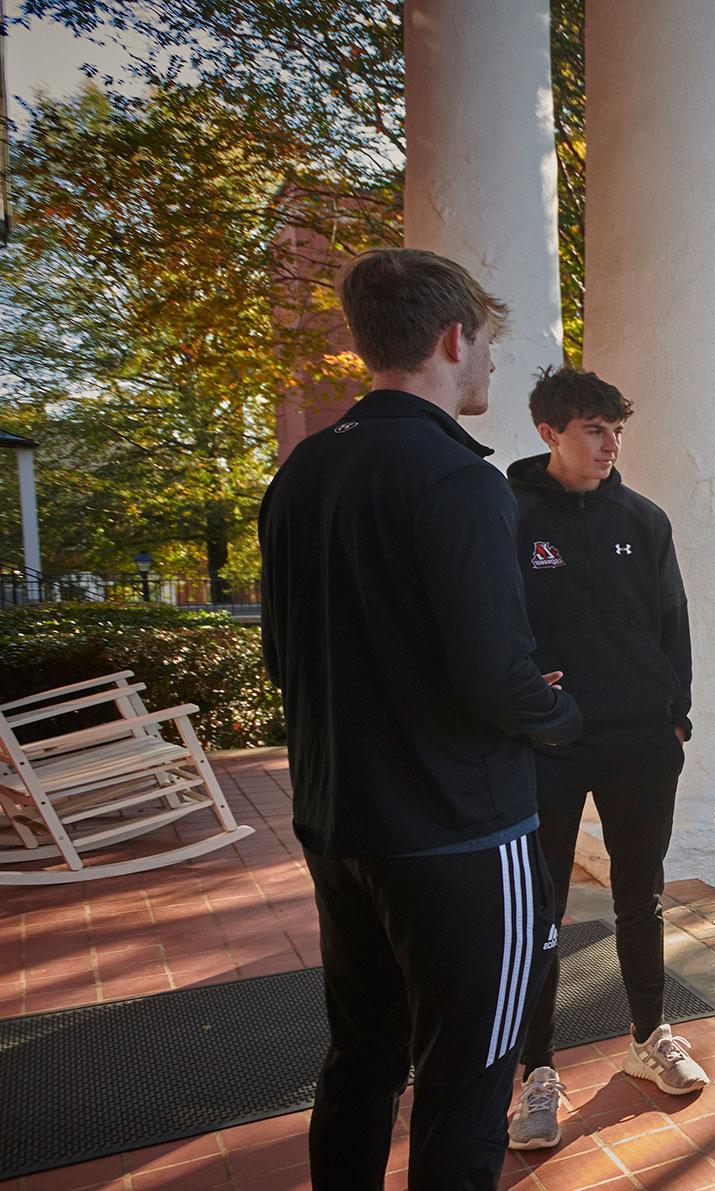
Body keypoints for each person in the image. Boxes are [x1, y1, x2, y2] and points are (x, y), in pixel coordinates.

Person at [258, 247, 582, 1187]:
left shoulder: (302, 472)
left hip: (339, 827)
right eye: (484, 343)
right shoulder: (460, 477)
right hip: (458, 836)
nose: (487, 365)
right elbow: (496, 677)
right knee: (466, 1084)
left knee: (360, 1062)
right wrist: (560, 711)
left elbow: (286, 659)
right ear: (452, 337)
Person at [501, 367, 705, 1150]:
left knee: (640, 894)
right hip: (546, 744)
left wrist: (675, 717)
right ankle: (537, 1072)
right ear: (551, 432)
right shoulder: (510, 516)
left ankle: (650, 1034)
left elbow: (672, 621)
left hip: (639, 743)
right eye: (593, 428)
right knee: (541, 909)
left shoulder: (643, 519)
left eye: (615, 429)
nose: (609, 443)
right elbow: (492, 624)